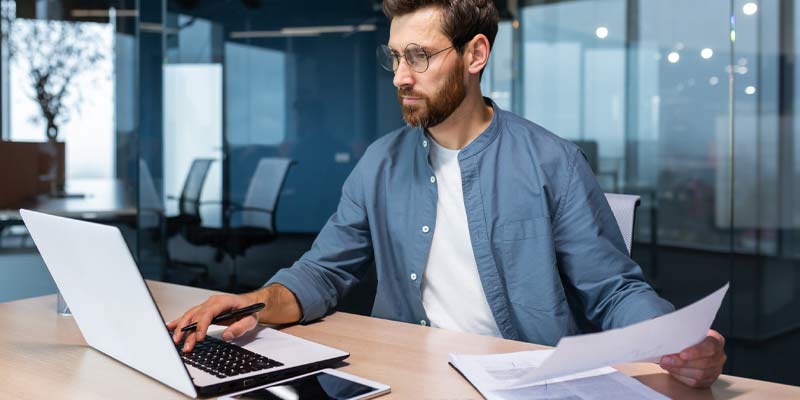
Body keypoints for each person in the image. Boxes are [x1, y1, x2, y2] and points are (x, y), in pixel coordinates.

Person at [169, 0, 726, 388]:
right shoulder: (379, 164)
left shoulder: (551, 160)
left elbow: (610, 290)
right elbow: (322, 273)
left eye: (420, 56)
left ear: (475, 54)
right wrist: (251, 301)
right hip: (405, 373)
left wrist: (675, 342)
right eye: (395, 57)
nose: (400, 77)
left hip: (523, 381)